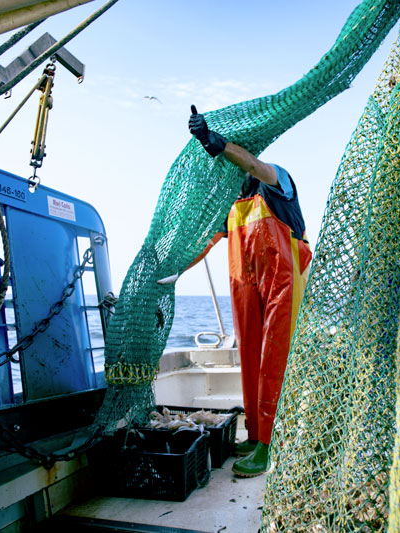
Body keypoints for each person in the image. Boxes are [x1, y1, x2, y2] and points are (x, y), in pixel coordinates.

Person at [162, 106, 312, 477]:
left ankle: (271, 443)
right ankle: (256, 434)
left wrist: (218, 143)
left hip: (284, 284)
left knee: (275, 361)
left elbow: (257, 167)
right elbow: (203, 242)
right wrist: (171, 271)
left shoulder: (277, 180)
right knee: (249, 359)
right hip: (246, 286)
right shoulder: (229, 207)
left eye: (232, 160)